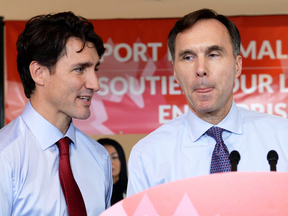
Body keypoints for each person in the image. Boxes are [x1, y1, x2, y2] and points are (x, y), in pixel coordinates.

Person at [127, 8, 288, 196]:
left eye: (213, 54)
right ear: (175, 73)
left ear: (237, 66)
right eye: (188, 57)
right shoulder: (148, 155)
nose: (201, 69)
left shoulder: (282, 138)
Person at [0, 12, 112, 215]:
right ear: (39, 73)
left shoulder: (99, 157)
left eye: (95, 69)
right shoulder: (4, 157)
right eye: (80, 69)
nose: (95, 84)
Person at [98, 138, 128, 205]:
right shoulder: (89, 192)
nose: (110, 162)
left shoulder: (133, 191)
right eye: (104, 158)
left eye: (114, 157)